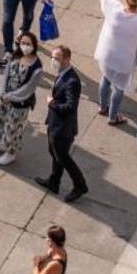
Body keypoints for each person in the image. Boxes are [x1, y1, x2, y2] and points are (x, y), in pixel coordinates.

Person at [92, 0, 137, 124]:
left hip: (107, 54)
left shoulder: (114, 9)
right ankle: (113, 117)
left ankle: (102, 106)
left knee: (105, 79)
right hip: (125, 59)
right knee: (119, 88)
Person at [0, 33, 43, 167]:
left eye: (28, 44)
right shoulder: (15, 56)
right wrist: (3, 93)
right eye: (23, 43)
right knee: (3, 121)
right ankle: (2, 143)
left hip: (20, 102)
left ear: (34, 46)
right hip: (6, 97)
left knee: (14, 127)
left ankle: (11, 152)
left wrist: (10, 97)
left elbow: (28, 89)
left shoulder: (37, 67)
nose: (25, 46)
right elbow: (6, 75)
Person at [37, 44, 86, 201]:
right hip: (54, 123)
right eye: (52, 57)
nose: (53, 61)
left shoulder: (72, 81)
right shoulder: (61, 73)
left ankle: (80, 186)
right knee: (54, 153)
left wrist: (52, 104)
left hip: (63, 128)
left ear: (67, 59)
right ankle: (54, 181)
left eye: (57, 58)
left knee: (63, 157)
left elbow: (70, 107)